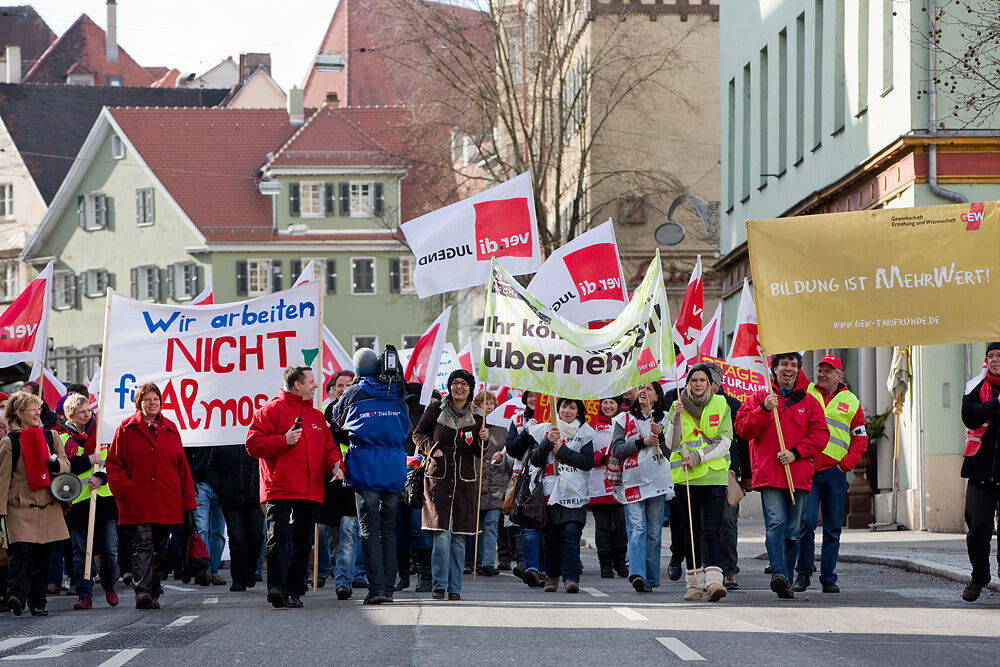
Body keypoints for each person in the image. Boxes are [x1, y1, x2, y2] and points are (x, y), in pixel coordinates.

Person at [247, 366, 343, 609]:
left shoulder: (317, 417)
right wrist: (283, 440)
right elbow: (253, 444)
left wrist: (335, 465)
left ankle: (294, 590)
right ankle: (277, 588)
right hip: (279, 487)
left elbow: (329, 448)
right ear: (297, 385)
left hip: (310, 489)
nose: (315, 385)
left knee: (303, 541)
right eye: (311, 381)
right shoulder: (270, 411)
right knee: (278, 538)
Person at [735, 352, 828, 599]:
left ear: (798, 370)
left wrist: (796, 453)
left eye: (794, 365)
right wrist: (764, 409)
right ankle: (780, 574)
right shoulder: (758, 398)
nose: (789, 369)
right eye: (784, 364)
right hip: (769, 475)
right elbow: (743, 429)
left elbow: (820, 436)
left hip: (797, 475)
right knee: (775, 523)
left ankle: (785, 575)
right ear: (773, 368)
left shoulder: (810, 402)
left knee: (794, 530)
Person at [106, 382, 197, 610]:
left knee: (160, 548)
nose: (152, 403)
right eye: (147, 399)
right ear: (139, 403)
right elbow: (114, 464)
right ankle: (142, 591)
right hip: (138, 500)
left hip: (167, 500)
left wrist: (187, 501)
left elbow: (182, 467)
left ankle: (154, 589)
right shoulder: (126, 428)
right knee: (142, 546)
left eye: (155, 399)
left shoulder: (171, 428)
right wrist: (125, 489)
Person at [332, 348, 410, 605]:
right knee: (389, 529)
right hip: (394, 467)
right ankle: (387, 588)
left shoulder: (354, 392)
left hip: (365, 467)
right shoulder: (397, 390)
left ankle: (376, 588)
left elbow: (337, 420)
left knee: (369, 529)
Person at [794, 355, 868, 594]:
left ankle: (828, 577)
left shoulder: (851, 401)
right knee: (805, 523)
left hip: (834, 473)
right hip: (808, 469)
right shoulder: (807, 392)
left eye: (828, 371)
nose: (822, 375)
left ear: (839, 375)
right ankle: (803, 574)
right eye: (820, 370)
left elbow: (860, 438)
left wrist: (845, 465)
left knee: (833, 527)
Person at [412, 369, 486, 601]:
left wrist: (484, 440)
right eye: (455, 383)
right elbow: (417, 434)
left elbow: (478, 453)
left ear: (470, 388)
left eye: (463, 383)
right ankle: (439, 585)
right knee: (441, 534)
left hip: (464, 482)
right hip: (438, 480)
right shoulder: (435, 410)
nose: (458, 387)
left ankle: (455, 589)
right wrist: (434, 449)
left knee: (460, 536)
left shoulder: (478, 415)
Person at [666, 363, 734, 602]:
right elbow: (671, 444)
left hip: (713, 476)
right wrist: (675, 418)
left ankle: (714, 581)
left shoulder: (720, 403)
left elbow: (725, 441)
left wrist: (699, 456)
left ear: (709, 382)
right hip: (685, 479)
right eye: (694, 380)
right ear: (687, 383)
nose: (697, 384)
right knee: (690, 531)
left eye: (702, 380)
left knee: (711, 529)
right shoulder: (677, 405)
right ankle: (694, 584)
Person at [0, 391, 70, 616]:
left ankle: (38, 602)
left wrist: (55, 463)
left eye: (39, 408)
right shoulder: (9, 443)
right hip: (19, 508)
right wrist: (1, 513)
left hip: (48, 506)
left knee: (43, 558)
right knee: (21, 555)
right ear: (19, 413)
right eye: (33, 409)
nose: (38, 412)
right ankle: (16, 596)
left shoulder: (51, 436)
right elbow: (2, 480)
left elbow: (66, 464)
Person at [610, 382, 674, 593]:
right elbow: (618, 450)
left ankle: (650, 578)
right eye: (640, 388)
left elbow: (672, 452)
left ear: (657, 395)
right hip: (633, 481)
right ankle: (637, 573)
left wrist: (661, 436)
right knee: (638, 528)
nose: (643, 392)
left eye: (648, 389)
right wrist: (641, 442)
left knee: (654, 532)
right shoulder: (623, 419)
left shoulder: (666, 418)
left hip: (657, 482)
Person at [59, 394, 119, 610]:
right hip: (78, 501)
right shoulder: (62, 438)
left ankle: (109, 584)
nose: (87, 415)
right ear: (70, 415)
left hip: (103, 498)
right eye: (82, 411)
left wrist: (101, 476)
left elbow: (112, 460)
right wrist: (87, 460)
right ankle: (84, 594)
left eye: (88, 410)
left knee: (110, 548)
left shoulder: (103, 431)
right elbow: (64, 467)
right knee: (80, 551)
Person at [528, 398, 594, 593]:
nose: (567, 411)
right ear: (557, 410)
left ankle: (571, 578)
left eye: (572, 407)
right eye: (564, 406)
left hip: (575, 492)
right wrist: (548, 442)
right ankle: (552, 576)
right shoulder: (547, 430)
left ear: (578, 412)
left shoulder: (585, 433)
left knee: (571, 534)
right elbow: (536, 459)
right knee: (552, 538)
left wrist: (563, 451)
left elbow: (587, 462)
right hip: (551, 493)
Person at [703, 362, 752, 591]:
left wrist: (747, 475)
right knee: (705, 524)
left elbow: (743, 444)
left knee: (728, 521)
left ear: (716, 382)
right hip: (699, 475)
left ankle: (730, 570)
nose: (701, 384)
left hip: (728, 474)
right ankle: (708, 570)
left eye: (706, 380)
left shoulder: (733, 405)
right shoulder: (690, 405)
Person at [960, 342, 1000, 602]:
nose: (995, 359)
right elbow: (969, 415)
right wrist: (997, 403)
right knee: (977, 528)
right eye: (991, 356)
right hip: (980, 471)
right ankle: (979, 576)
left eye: (999, 355)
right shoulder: (976, 385)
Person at [205, 444, 262, 592]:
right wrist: (222, 488)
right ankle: (238, 579)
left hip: (254, 498)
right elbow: (211, 468)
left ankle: (250, 571)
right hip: (230, 499)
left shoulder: (256, 439)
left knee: (255, 536)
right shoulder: (223, 440)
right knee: (237, 538)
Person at [504, 390, 545, 587]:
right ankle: (530, 568)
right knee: (528, 521)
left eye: (538, 395)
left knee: (548, 523)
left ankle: (545, 568)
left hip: (550, 476)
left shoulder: (556, 415)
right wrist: (528, 432)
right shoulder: (518, 419)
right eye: (530, 395)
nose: (534, 399)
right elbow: (512, 449)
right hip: (525, 477)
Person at [588, 396, 628, 578]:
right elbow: (584, 452)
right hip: (598, 481)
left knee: (621, 525)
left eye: (612, 402)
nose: (608, 405)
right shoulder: (591, 424)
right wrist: (601, 458)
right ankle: (605, 563)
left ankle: (620, 562)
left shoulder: (625, 421)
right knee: (602, 526)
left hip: (621, 481)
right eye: (605, 402)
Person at [476, 390, 510, 576]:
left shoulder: (503, 429)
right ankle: (472, 561)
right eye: (485, 403)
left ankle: (488, 563)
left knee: (491, 524)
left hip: (496, 484)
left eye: (491, 404)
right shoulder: (472, 426)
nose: (489, 407)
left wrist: (502, 457)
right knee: (475, 527)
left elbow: (509, 454)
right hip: (475, 483)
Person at [186, 446, 227, 586]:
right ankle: (205, 571)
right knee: (204, 530)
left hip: (220, 485)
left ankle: (210, 571)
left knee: (217, 533)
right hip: (202, 483)